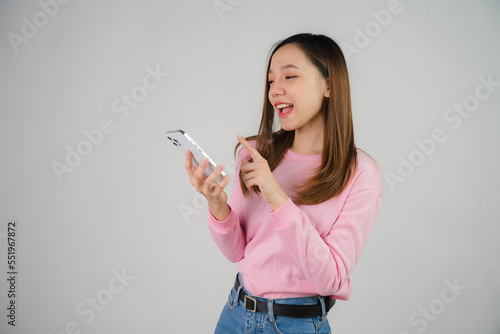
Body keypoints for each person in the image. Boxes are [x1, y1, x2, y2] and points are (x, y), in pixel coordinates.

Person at [185, 33, 382, 334]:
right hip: (236, 315)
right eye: (270, 81)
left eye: (289, 76)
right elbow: (237, 252)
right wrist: (218, 206)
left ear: (329, 85)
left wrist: (278, 198)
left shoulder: (360, 173)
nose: (275, 90)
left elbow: (330, 278)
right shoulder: (256, 153)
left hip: (297, 325)